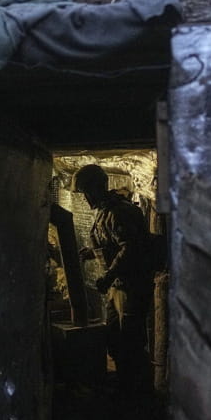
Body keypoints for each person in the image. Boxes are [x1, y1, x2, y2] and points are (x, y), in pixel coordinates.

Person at [73, 164, 152, 393]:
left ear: (96, 189)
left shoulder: (120, 212)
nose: (85, 198)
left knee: (131, 341)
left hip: (130, 287)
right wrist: (92, 252)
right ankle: (125, 382)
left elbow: (130, 248)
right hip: (117, 287)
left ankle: (138, 392)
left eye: (86, 192)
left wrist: (108, 275)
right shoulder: (104, 212)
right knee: (115, 337)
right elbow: (111, 244)